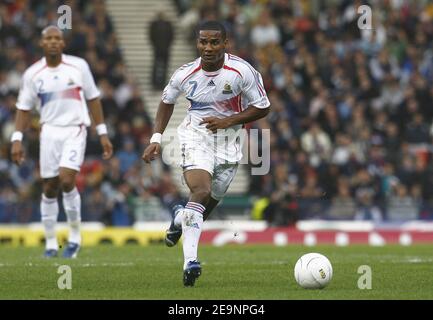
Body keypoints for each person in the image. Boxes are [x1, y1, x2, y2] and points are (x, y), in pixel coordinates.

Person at [142, 21, 270, 286]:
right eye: (203, 42)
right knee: (200, 191)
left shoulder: (242, 71)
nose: (208, 48)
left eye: (214, 42)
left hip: (229, 143)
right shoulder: (184, 74)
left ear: (225, 43)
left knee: (203, 208)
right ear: (197, 43)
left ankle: (179, 217)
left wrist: (228, 121)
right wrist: (156, 138)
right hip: (195, 136)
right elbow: (166, 103)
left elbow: (263, 107)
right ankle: (190, 262)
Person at [10, 26, 113, 258]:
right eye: (49, 39)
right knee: (49, 187)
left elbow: (93, 98)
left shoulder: (79, 66)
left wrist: (103, 132)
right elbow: (23, 109)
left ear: (63, 44)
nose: (54, 42)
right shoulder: (33, 74)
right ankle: (50, 243)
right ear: (42, 43)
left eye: (58, 38)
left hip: (75, 129)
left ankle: (75, 237)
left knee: (67, 180)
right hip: (49, 132)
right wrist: (17, 138)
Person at [149, 12, 174, 90]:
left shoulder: (156, 25)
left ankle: (157, 83)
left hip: (161, 48)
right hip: (162, 48)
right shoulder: (166, 25)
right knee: (159, 66)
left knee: (159, 66)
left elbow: (171, 36)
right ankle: (157, 83)